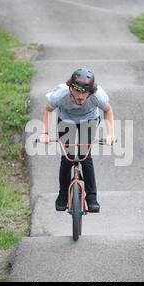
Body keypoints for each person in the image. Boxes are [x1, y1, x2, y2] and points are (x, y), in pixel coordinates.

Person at [39, 68, 115, 213]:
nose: (81, 97)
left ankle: (91, 198)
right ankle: (62, 195)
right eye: (77, 92)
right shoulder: (60, 94)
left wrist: (110, 134)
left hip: (89, 120)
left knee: (84, 157)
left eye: (84, 93)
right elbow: (47, 110)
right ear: (70, 88)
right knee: (67, 158)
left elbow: (108, 110)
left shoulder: (98, 95)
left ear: (90, 92)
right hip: (66, 120)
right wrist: (44, 133)